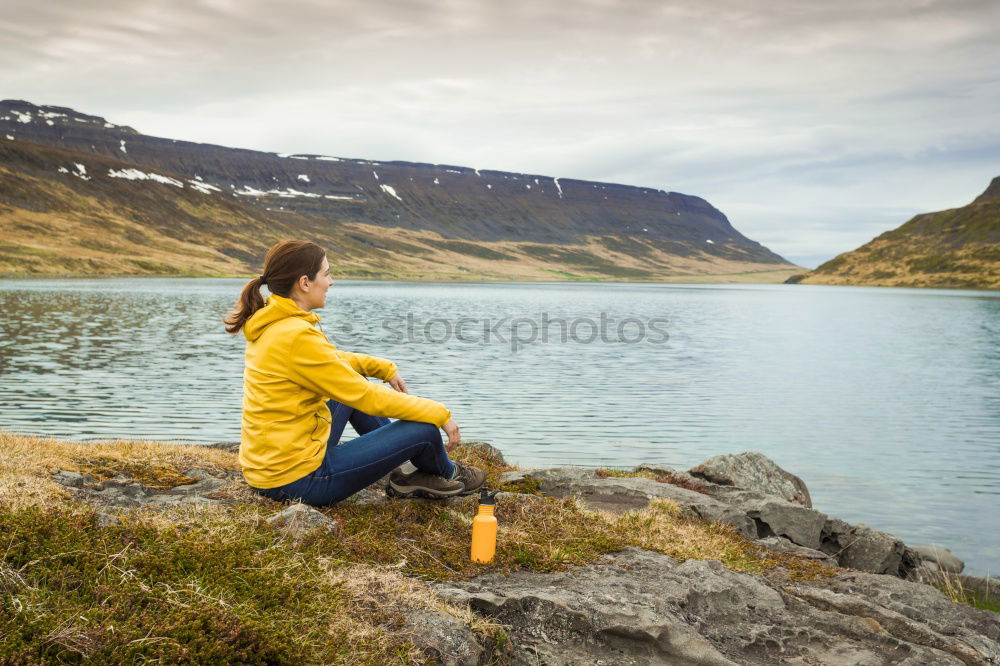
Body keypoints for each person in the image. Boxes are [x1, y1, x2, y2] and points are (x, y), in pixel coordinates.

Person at [222, 239, 485, 506]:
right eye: (326, 274)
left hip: (271, 469)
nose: (331, 282)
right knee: (423, 428)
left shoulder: (274, 322)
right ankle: (447, 471)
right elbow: (367, 397)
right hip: (300, 481)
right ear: (304, 282)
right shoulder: (294, 334)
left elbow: (330, 363)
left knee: (351, 384)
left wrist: (380, 367)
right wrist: (439, 413)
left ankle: (405, 468)